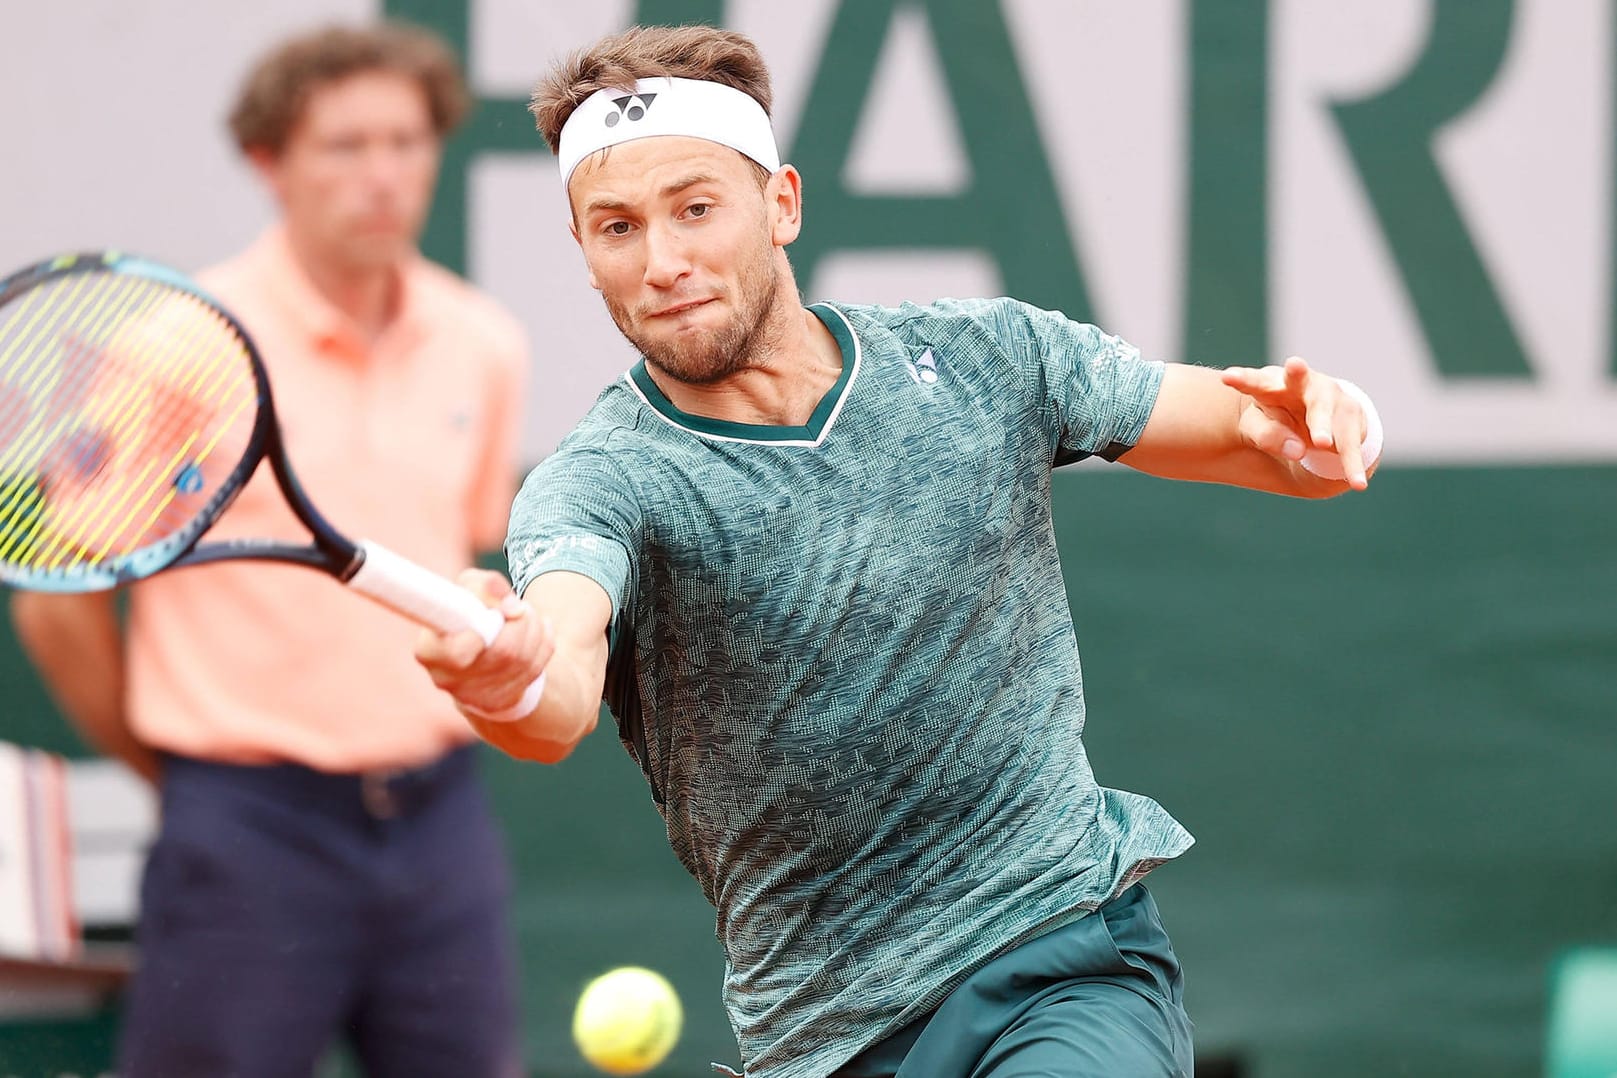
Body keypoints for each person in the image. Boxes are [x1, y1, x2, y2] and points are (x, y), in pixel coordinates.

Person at [417, 24, 1382, 1078]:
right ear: (585, 248)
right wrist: (503, 677)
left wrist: (1327, 423)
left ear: (781, 203)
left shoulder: (985, 356)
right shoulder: (600, 480)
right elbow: (556, 683)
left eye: (697, 208)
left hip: (1058, 951)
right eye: (616, 227)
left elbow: (1257, 433)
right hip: (828, 1038)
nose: (663, 263)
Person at [10, 22, 529, 1078]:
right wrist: (180, 776)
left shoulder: (484, 342)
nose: (382, 174)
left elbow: (462, 552)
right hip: (247, 833)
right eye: (344, 146)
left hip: (442, 825)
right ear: (269, 163)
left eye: (405, 141)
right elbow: (59, 602)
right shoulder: (176, 348)